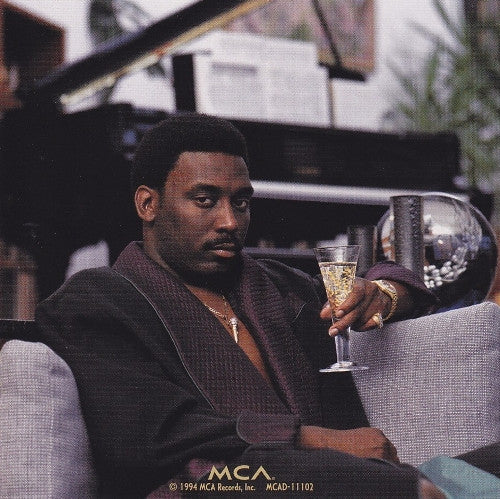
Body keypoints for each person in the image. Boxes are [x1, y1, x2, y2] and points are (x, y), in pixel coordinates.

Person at [35, 113, 477, 498]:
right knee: (412, 490)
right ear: (148, 204)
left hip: (330, 477)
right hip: (219, 485)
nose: (230, 221)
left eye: (241, 202)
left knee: (488, 466)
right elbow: (149, 434)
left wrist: (382, 294)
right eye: (205, 201)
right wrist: (318, 441)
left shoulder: (276, 286)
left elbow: (401, 282)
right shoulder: (94, 302)